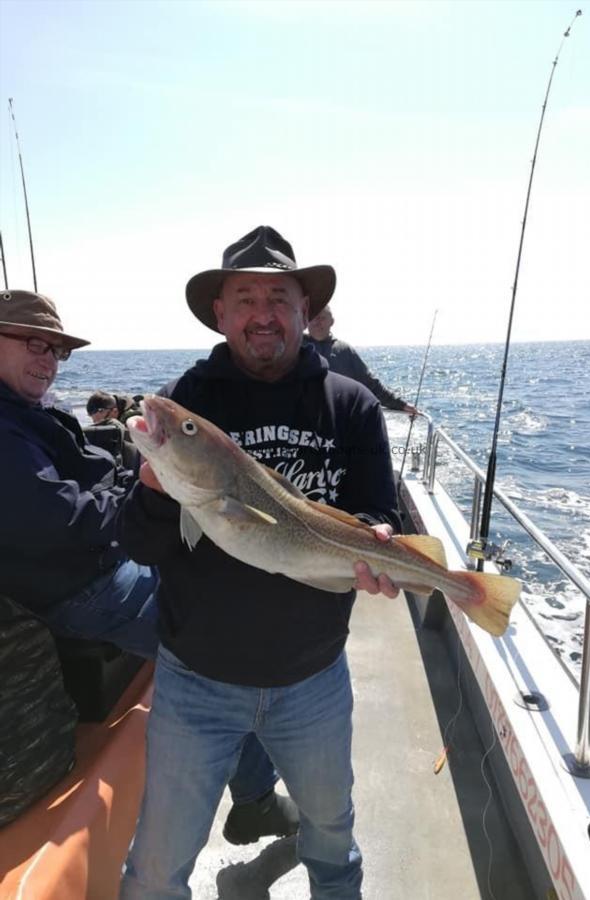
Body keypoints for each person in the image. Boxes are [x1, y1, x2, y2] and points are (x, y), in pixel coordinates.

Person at [118, 225, 401, 899]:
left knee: (333, 842)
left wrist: (376, 542)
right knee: (154, 871)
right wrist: (160, 488)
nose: (262, 313)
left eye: (280, 297)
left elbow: (373, 512)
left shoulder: (351, 405)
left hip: (313, 680)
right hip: (195, 685)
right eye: (244, 298)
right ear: (220, 314)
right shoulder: (188, 404)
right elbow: (138, 545)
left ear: (306, 311)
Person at [0, 289, 291, 844]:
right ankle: (255, 801)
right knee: (226, 650)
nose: (46, 360)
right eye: (33, 344)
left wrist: (137, 484)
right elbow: (60, 520)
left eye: (56, 351)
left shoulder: (25, 412)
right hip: (83, 587)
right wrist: (147, 496)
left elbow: (91, 481)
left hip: (99, 563)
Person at [306, 304, 418, 415]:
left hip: (335, 419)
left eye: (322, 318)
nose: (317, 322)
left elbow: (371, 384)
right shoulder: (295, 345)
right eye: (313, 318)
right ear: (306, 321)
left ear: (332, 321)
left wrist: (400, 404)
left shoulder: (345, 351)